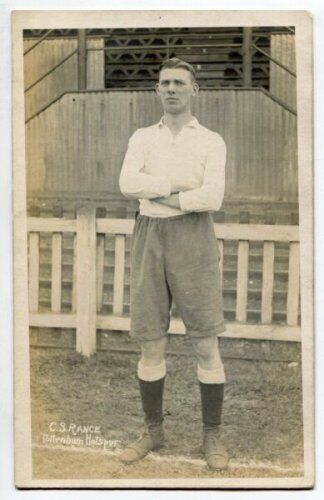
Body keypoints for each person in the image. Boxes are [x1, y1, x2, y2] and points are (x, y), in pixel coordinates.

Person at [118, 57, 228, 470]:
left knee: (205, 340)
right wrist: (176, 187)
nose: (171, 89)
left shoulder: (211, 141)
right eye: (165, 83)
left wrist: (157, 193)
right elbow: (128, 183)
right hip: (149, 235)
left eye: (180, 83)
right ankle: (153, 429)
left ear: (194, 90)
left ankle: (212, 434)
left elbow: (211, 198)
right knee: (151, 341)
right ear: (156, 91)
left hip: (193, 236)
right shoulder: (143, 136)